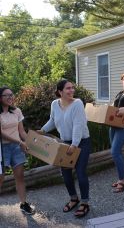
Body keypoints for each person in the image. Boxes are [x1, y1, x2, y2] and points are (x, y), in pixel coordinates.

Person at [41, 79, 91, 218]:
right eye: (68, 88)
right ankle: (74, 198)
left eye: (72, 88)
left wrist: (74, 145)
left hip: (81, 142)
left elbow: (78, 125)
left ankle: (85, 202)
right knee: (66, 173)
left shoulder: (77, 104)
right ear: (60, 91)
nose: (71, 91)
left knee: (80, 172)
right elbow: (52, 120)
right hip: (65, 142)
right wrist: (42, 131)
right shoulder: (54, 104)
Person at [0, 86, 35, 215]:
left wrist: (29, 143)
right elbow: (1, 133)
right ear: (0, 98)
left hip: (16, 147)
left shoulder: (16, 111)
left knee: (20, 176)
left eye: (11, 95)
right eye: (6, 95)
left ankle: (23, 204)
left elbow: (21, 131)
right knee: (1, 178)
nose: (10, 97)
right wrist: (20, 142)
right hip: (2, 149)